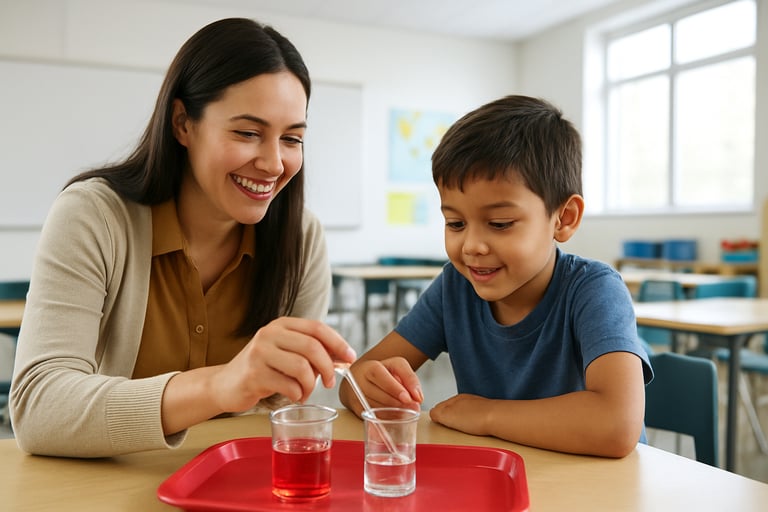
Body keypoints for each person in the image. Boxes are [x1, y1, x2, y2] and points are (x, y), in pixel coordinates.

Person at [9, 18, 356, 458]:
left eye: (292, 138)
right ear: (182, 124)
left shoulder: (302, 240)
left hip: (236, 484)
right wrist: (219, 385)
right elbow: (40, 408)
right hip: (109, 482)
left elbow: (279, 408)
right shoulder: (94, 216)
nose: (273, 163)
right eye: (248, 133)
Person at [339, 95, 653, 458]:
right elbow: (354, 380)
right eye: (455, 223)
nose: (472, 245)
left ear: (563, 219)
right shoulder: (456, 288)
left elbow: (615, 424)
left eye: (500, 224)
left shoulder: (594, 290)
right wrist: (369, 386)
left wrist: (487, 414)